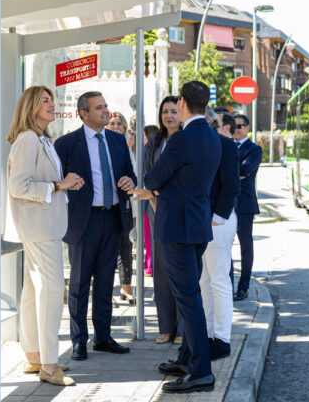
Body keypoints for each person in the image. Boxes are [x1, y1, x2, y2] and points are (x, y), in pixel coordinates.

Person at [131, 81, 220, 394]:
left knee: (188, 300)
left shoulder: (182, 138)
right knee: (190, 295)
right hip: (197, 226)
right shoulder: (213, 136)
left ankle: (201, 371)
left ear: (182, 103)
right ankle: (186, 358)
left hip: (177, 228)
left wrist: (155, 189)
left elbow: (153, 177)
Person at [6, 86, 85, 386]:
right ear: (31, 107)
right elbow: (18, 186)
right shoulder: (28, 139)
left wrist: (64, 184)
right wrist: (58, 185)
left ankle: (35, 356)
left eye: (52, 100)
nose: (52, 104)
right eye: (45, 101)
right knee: (51, 292)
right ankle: (50, 366)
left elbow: (44, 183)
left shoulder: (41, 139)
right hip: (40, 228)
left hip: (43, 226)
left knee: (32, 291)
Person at [54, 91, 136, 361]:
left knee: (105, 281)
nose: (106, 111)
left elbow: (129, 173)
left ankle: (103, 337)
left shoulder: (117, 139)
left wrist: (130, 181)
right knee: (79, 283)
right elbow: (56, 181)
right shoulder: (67, 144)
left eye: (106, 106)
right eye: (99, 107)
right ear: (83, 113)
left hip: (112, 218)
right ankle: (79, 340)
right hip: (83, 221)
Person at [143, 96, 184, 344]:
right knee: (161, 272)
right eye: (165, 111)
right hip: (156, 210)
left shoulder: (187, 139)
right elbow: (148, 175)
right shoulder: (155, 142)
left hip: (181, 212)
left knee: (181, 271)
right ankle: (166, 328)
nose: (169, 116)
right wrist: (155, 204)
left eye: (174, 111)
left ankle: (182, 330)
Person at [202, 108, 240, 359]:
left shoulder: (225, 144)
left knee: (219, 280)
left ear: (209, 121)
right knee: (203, 282)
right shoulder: (190, 143)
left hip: (218, 221)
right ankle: (207, 335)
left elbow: (232, 185)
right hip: (199, 221)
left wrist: (218, 218)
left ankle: (222, 339)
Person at [230, 114, 262, 301]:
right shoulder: (226, 146)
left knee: (245, 247)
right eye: (233, 125)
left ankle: (243, 286)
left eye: (239, 126)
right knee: (223, 247)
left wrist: (228, 170)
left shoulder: (254, 149)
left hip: (244, 203)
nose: (235, 129)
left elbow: (245, 170)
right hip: (226, 203)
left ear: (247, 128)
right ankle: (227, 286)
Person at [107, 112, 135, 306]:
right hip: (109, 204)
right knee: (107, 250)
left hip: (127, 204)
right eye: (112, 123)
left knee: (126, 247)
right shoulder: (104, 145)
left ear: (125, 127)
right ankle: (107, 291)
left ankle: (126, 288)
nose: (116, 126)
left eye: (119, 123)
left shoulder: (129, 147)